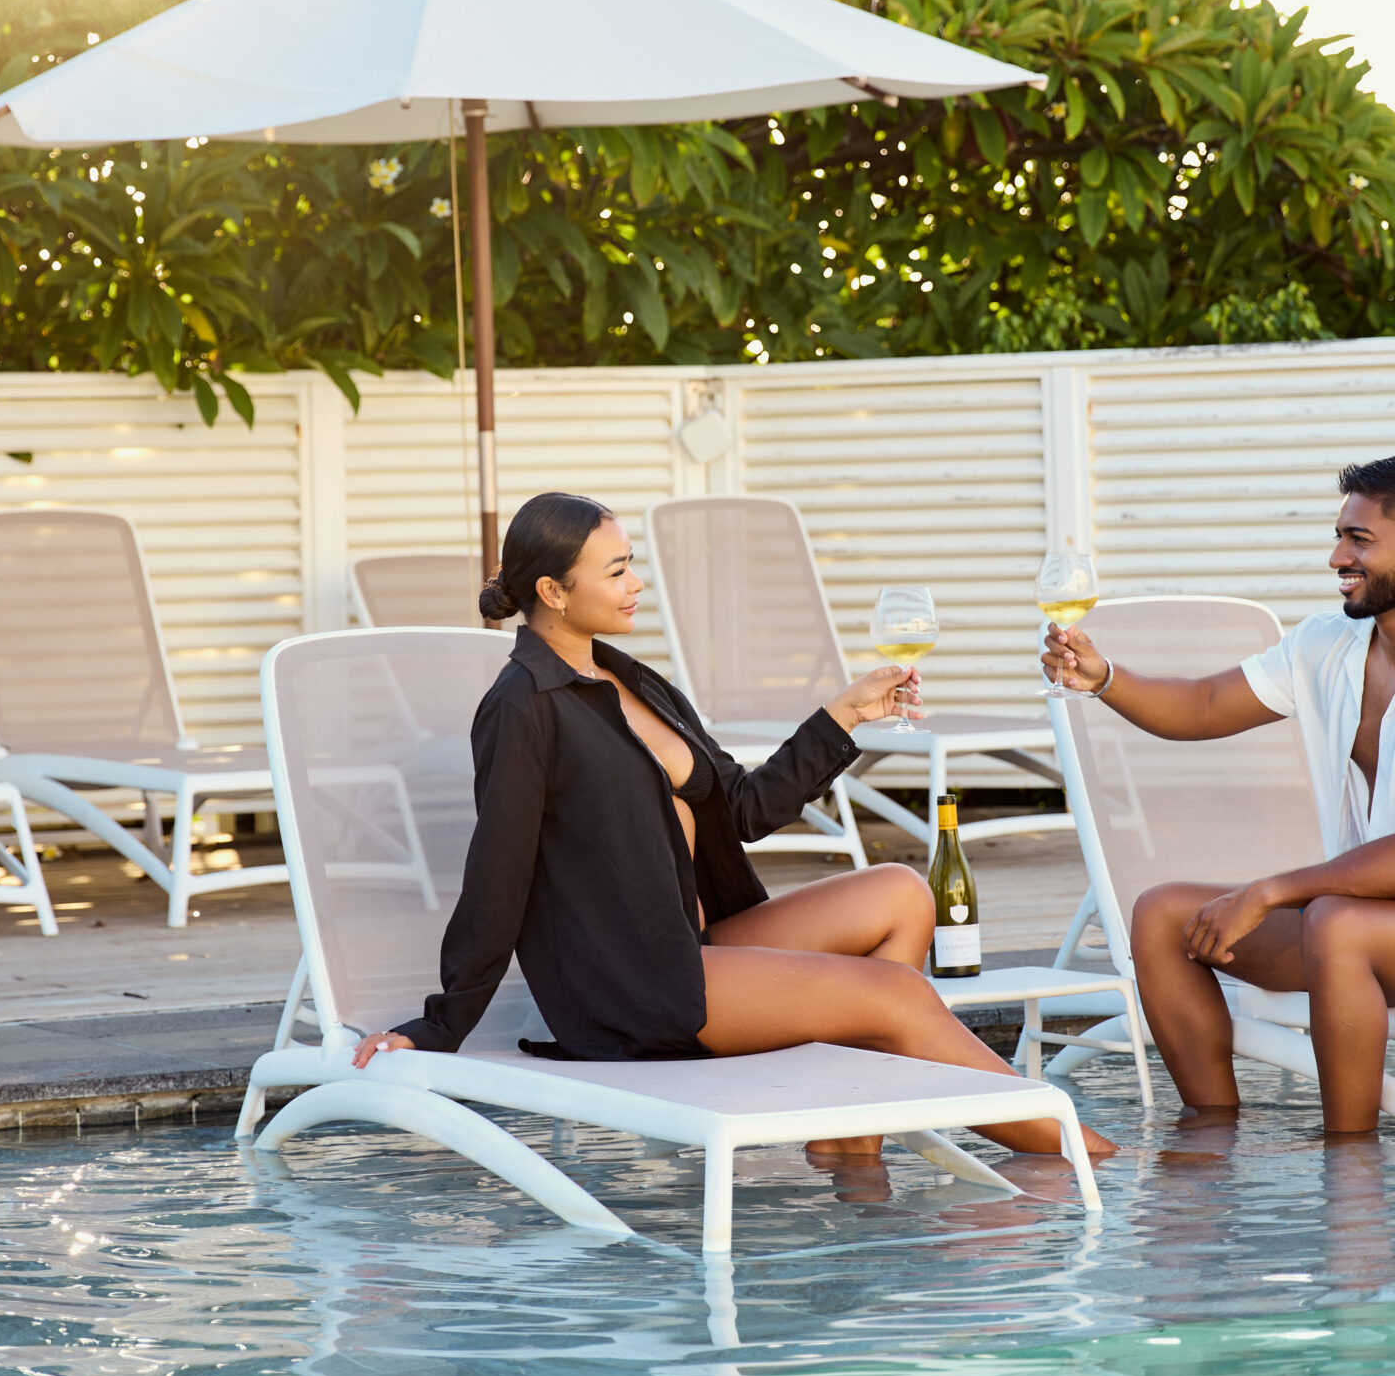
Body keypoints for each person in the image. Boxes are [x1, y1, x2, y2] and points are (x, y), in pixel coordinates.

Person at [355, 491, 1112, 1164]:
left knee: (902, 894)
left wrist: (847, 713)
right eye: (615, 571)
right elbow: (499, 871)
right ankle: (1085, 1154)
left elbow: (744, 807)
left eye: (631, 565)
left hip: (695, 949)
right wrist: (441, 1022)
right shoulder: (522, 706)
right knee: (899, 998)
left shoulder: (629, 677)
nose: (636, 583)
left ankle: (851, 1135)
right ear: (553, 590)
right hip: (638, 988)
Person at [1039, 455, 1395, 1136]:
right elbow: (1201, 704)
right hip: (1349, 924)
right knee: (1163, 915)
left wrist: (1266, 891)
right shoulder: (1327, 644)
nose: (1338, 555)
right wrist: (1102, 676)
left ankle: (1348, 1160)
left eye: (1360, 540)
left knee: (1337, 921)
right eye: (1340, 534)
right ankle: (1212, 1136)